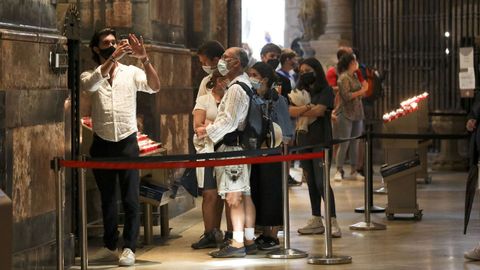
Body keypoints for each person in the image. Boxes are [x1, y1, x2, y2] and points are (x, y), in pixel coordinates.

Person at [80, 28, 161, 266]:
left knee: (130, 198)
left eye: (114, 42)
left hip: (127, 140)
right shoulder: (90, 73)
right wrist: (113, 57)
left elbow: (154, 87)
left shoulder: (131, 72)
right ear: (96, 48)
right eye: (106, 43)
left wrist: (144, 58)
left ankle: (129, 247)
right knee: (107, 198)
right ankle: (110, 242)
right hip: (102, 142)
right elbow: (90, 86)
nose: (112, 45)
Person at [195, 47, 256, 258]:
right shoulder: (242, 84)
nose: (221, 61)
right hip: (238, 147)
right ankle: (248, 239)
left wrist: (206, 131)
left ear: (237, 63)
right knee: (243, 194)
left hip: (231, 148)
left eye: (225, 58)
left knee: (234, 197)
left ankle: (237, 244)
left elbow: (228, 122)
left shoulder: (237, 88)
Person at [290, 57, 341, 238]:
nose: (304, 74)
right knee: (310, 182)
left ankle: (332, 220)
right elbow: (290, 111)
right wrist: (307, 108)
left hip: (320, 140)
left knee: (321, 182)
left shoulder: (325, 90)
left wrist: (302, 109)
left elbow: (320, 111)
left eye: (308, 70)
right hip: (304, 141)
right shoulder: (300, 91)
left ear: (316, 70)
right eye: (301, 72)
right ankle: (315, 218)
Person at [248, 62, 294, 251]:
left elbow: (286, 130)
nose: (251, 77)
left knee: (272, 193)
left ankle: (273, 234)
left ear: (264, 79)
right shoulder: (251, 97)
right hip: (255, 151)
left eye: (254, 74)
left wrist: (281, 146)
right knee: (258, 191)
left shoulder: (278, 100)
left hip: (273, 153)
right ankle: (264, 232)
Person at [190, 40, 231, 250]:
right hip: (208, 147)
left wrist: (213, 125)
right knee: (209, 193)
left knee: (227, 192)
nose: (204, 66)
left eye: (205, 61)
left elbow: (233, 120)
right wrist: (211, 126)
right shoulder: (205, 84)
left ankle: (230, 234)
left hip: (230, 147)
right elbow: (199, 116)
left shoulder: (235, 84)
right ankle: (210, 232)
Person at [333, 53, 368, 182]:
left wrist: (362, 92)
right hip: (346, 113)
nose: (356, 63)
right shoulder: (343, 78)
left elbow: (360, 94)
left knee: (356, 142)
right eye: (354, 61)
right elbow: (347, 96)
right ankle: (338, 169)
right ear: (350, 63)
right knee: (344, 142)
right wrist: (362, 90)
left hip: (357, 112)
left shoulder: (354, 76)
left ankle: (354, 169)